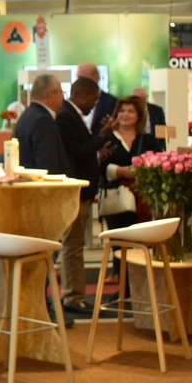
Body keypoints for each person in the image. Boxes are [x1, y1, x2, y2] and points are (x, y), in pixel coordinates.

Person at [56, 77, 116, 313]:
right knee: (73, 245)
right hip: (76, 192)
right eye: (93, 99)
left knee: (74, 244)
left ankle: (74, 295)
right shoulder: (66, 116)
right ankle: (73, 296)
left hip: (81, 191)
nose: (94, 105)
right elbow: (77, 153)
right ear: (84, 94)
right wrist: (100, 137)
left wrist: (101, 137)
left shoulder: (71, 115)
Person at [99, 95, 164, 278]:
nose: (125, 114)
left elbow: (158, 162)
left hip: (143, 198)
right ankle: (121, 282)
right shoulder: (107, 139)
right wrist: (120, 171)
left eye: (130, 111)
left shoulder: (147, 139)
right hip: (116, 198)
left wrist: (141, 170)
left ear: (139, 115)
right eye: (122, 111)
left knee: (141, 242)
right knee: (119, 242)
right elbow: (100, 167)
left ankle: (140, 282)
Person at [13, 72, 70, 175]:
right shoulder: (43, 120)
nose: (63, 97)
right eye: (61, 92)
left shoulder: (27, 114)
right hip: (40, 183)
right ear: (51, 95)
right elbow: (47, 164)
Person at [77, 62, 117, 136]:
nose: (79, 82)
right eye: (78, 78)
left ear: (96, 77)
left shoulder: (111, 102)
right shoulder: (75, 102)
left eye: (83, 78)